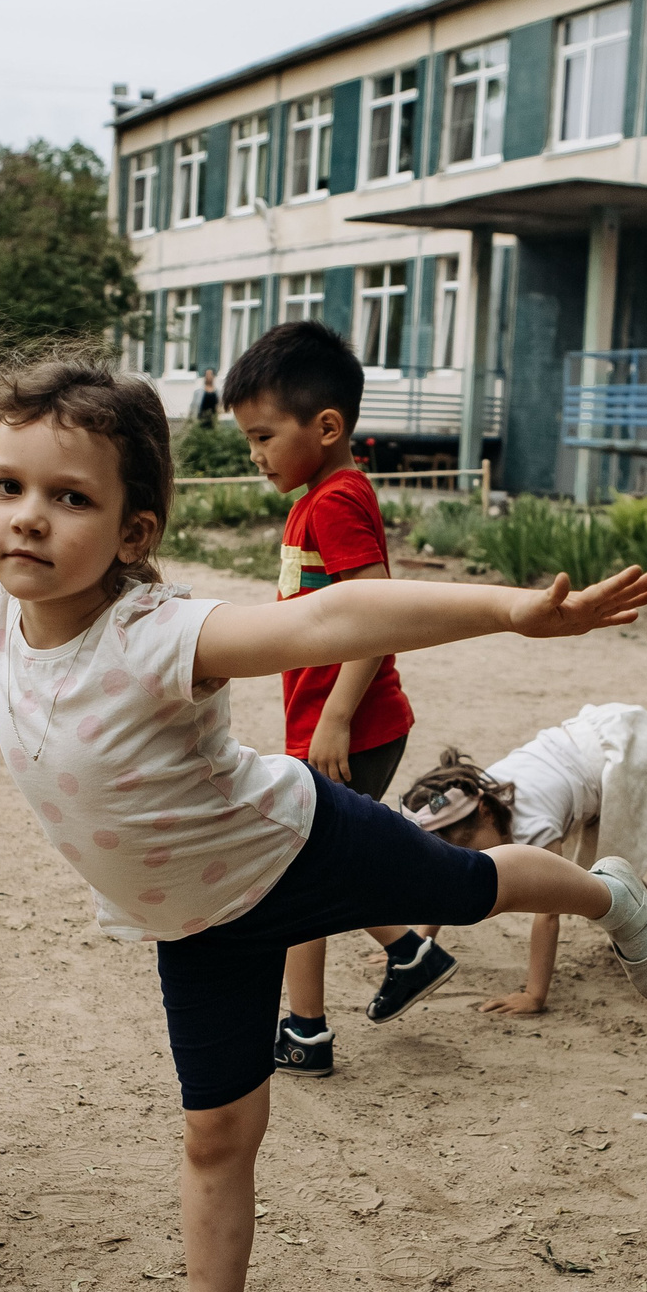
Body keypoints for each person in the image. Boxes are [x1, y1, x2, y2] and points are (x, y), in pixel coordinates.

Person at [0, 353, 647, 1292]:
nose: (27, 520)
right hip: (197, 923)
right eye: (9, 489)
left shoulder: (160, 636)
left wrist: (513, 610)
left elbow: (337, 616)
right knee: (217, 1132)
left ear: (133, 532)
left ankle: (608, 895)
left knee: (466, 887)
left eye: (71, 497)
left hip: (303, 843)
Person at [224, 322, 417, 1080]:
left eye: (264, 435)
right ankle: (408, 949)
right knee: (319, 864)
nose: (256, 453)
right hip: (331, 724)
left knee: (298, 875)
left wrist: (335, 714)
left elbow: (375, 606)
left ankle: (306, 1029)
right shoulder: (317, 498)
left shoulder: (335, 500)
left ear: (327, 425)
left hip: (350, 727)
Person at [395, 708, 647, 1015]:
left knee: (608, 866)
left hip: (624, 756)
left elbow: (548, 913)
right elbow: (450, 870)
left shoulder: (534, 827)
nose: (463, 856)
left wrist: (534, 995)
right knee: (618, 844)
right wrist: (420, 945)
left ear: (486, 813)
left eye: (464, 845)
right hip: (584, 752)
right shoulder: (474, 792)